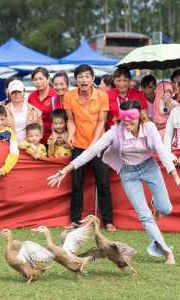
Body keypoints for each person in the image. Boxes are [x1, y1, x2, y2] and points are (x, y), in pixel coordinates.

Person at [47, 100, 180, 265]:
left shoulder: (149, 128)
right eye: (124, 118)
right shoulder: (116, 131)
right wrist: (65, 169)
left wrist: (176, 178)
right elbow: (92, 151)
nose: (128, 122)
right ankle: (166, 251)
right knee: (145, 216)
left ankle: (156, 204)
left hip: (149, 168)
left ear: (140, 117)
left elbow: (161, 151)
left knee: (165, 208)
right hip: (128, 172)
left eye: (132, 118)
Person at [63, 64, 115, 231]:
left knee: (104, 183)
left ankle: (107, 221)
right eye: (80, 77)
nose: (84, 80)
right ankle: (75, 219)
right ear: (76, 80)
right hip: (78, 145)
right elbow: (70, 120)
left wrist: (94, 144)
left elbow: (102, 122)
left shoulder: (102, 96)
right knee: (77, 184)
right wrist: (70, 134)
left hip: (99, 145)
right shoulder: (69, 96)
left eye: (87, 76)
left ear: (93, 79)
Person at [28, 67, 60, 142]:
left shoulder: (55, 95)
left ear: (48, 79)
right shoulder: (31, 96)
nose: (38, 82)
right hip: (35, 139)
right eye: (35, 80)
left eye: (40, 78)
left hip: (53, 138)